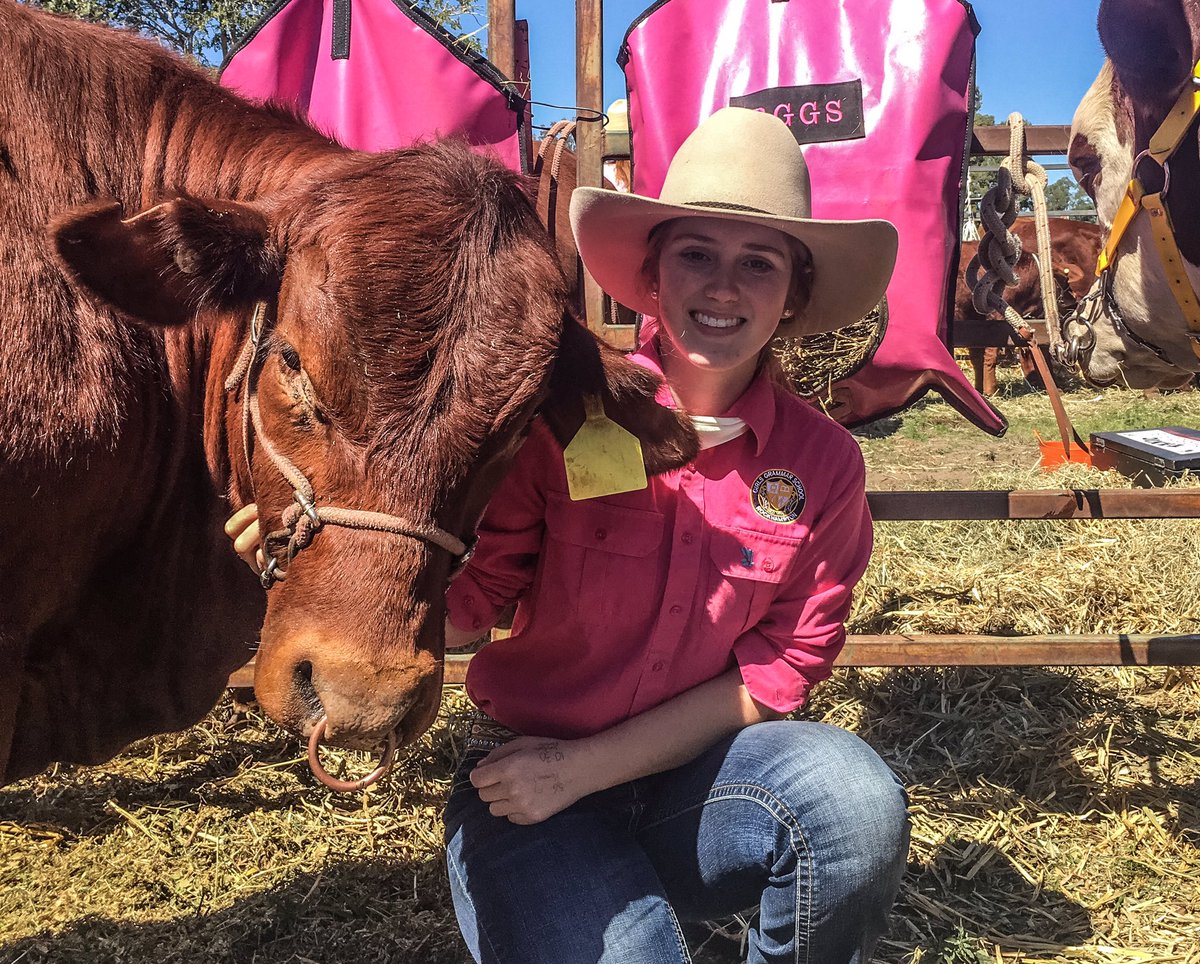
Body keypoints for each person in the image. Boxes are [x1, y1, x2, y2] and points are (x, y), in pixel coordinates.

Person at [229, 107, 908, 963]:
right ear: (654, 275)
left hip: (701, 782)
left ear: (794, 296)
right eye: (697, 253)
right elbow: (470, 609)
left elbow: (781, 672)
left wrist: (587, 769)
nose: (724, 287)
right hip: (528, 786)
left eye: (758, 263)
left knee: (849, 796)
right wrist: (321, 562)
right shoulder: (557, 419)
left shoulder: (825, 465)